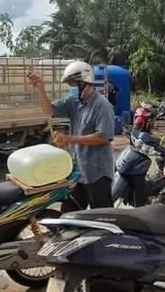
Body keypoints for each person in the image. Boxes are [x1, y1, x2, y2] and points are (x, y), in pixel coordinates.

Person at [29, 61, 115, 211]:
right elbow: (49, 110)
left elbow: (104, 137)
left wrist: (69, 139)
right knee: (68, 214)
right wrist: (40, 88)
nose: (71, 89)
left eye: (73, 85)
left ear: (85, 83)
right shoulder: (74, 102)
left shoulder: (102, 105)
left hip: (98, 174)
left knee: (102, 217)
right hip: (79, 173)